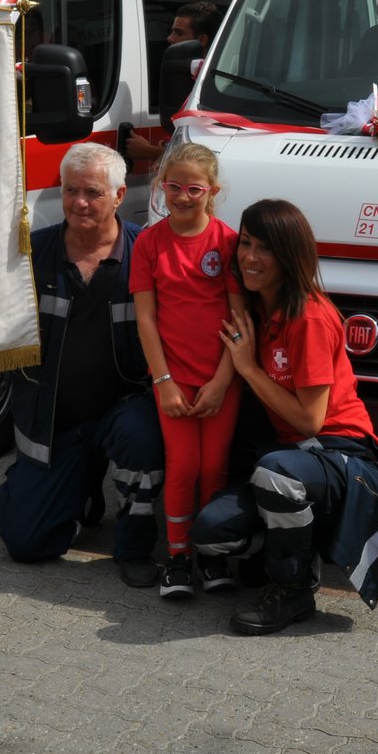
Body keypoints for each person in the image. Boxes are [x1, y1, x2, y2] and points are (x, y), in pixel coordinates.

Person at [193, 198, 378, 635]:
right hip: (293, 454)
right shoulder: (259, 306)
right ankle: (295, 544)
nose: (250, 257)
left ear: (290, 256)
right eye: (245, 243)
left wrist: (247, 369)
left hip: (342, 453)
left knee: (276, 475)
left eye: (265, 248)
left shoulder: (310, 317)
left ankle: (293, 589)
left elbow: (310, 421)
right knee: (212, 534)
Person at [0, 142, 166, 588]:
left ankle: (134, 544)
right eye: (71, 191)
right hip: (54, 420)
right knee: (26, 543)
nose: (79, 203)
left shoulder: (146, 254)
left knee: (141, 436)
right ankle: (73, 491)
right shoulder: (32, 254)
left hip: (122, 410)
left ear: (121, 195)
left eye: (92, 192)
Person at [130, 141, 245, 598]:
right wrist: (164, 383)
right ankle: (177, 558)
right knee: (182, 467)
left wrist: (221, 381)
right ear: (161, 186)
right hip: (171, 382)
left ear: (212, 190)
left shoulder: (228, 242)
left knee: (214, 469)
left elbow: (239, 319)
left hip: (221, 381)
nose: (182, 196)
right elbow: (145, 319)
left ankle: (212, 553)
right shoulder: (149, 242)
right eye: (173, 186)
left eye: (193, 188)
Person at [126, 2, 222, 165]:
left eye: (178, 33)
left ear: (202, 40)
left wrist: (151, 151)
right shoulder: (182, 72)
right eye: (171, 31)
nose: (170, 38)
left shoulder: (217, 86)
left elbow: (205, 158)